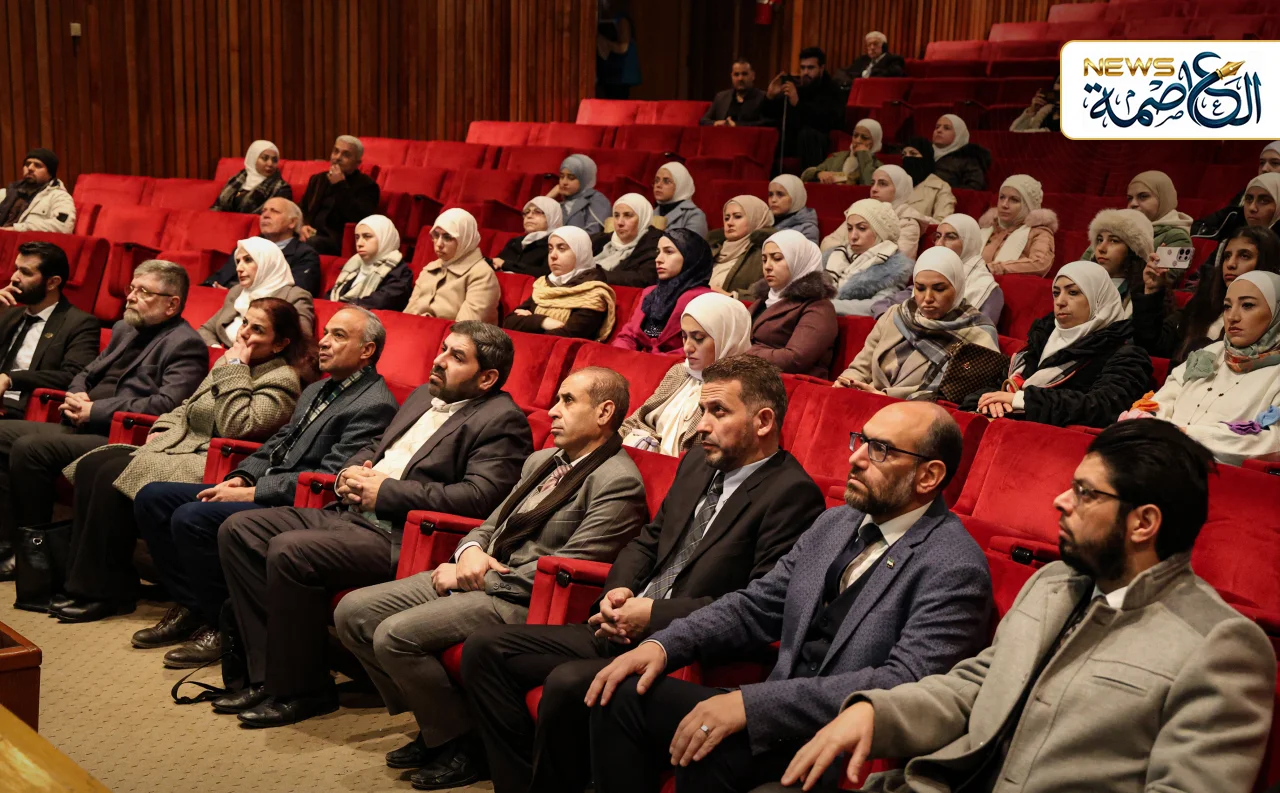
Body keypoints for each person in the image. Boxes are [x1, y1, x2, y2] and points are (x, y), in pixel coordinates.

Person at [779, 421, 1275, 793]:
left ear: (1143, 523)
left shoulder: (1220, 646)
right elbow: (976, 686)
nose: (1060, 500)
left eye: (1084, 493)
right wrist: (875, 712)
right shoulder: (1053, 583)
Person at [462, 355, 827, 793]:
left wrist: (652, 616)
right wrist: (617, 592)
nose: (702, 425)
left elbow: (757, 603)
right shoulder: (698, 462)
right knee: (485, 649)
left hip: (684, 648)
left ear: (763, 421)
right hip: (622, 624)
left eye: (718, 411)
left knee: (568, 682)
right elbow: (648, 541)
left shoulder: (791, 494)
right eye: (702, 410)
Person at [585, 401, 993, 793]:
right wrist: (663, 645)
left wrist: (752, 705)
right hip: (773, 716)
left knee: (710, 750)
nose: (856, 458)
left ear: (928, 476)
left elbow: (901, 683)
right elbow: (757, 604)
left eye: (881, 450)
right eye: (862, 440)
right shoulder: (836, 523)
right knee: (621, 695)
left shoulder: (954, 566)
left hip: (838, 745)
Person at [336, 367, 648, 790]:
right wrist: (468, 551)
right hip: (478, 571)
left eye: (568, 401)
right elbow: (490, 523)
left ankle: (465, 746)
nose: (553, 411)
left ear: (604, 412)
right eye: (556, 399)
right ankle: (442, 727)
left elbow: (570, 569)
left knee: (394, 635)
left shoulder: (618, 482)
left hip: (521, 600)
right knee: (352, 612)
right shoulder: (542, 461)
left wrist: (478, 579)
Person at [214, 322, 534, 728]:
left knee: (291, 550)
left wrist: (386, 492)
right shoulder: (424, 395)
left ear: (487, 377)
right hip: (349, 514)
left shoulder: (502, 420)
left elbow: (478, 499)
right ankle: (265, 677)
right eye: (442, 349)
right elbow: (377, 445)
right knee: (240, 530)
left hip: (401, 536)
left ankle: (302, 691)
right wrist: (351, 471)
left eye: (456, 357)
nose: (439, 360)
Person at [131, 307, 398, 667]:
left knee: (193, 518)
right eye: (326, 332)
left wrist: (249, 493)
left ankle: (224, 626)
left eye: (338, 336)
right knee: (153, 498)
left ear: (367, 350)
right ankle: (196, 607)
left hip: (301, 505)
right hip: (268, 486)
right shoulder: (318, 388)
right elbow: (278, 442)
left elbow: (328, 478)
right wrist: (242, 476)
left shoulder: (375, 404)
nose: (323, 342)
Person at [50, 298, 309, 623]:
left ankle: (103, 593)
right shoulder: (230, 362)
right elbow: (188, 405)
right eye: (245, 323)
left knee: (111, 475)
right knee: (93, 466)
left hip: (218, 460)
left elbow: (238, 425)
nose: (244, 333)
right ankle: (89, 582)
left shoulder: (282, 379)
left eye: (258, 330)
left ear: (280, 343)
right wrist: (163, 426)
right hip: (180, 444)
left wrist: (236, 369)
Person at [0, 261, 207, 580]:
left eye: (143, 291)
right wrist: (77, 395)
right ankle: (9, 543)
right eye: (131, 288)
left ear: (172, 304)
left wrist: (95, 410)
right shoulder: (125, 328)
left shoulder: (185, 344)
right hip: (81, 422)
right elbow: (85, 373)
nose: (131, 297)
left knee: (31, 448)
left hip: (123, 437)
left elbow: (167, 405)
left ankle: (36, 553)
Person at [967, 261, 1152, 429]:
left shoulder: (1126, 354)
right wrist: (990, 401)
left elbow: (1104, 407)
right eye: (1056, 293)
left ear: (1098, 299)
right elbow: (994, 388)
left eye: (1073, 292)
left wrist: (1020, 400)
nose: (1060, 302)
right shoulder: (1041, 340)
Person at [1139, 271, 1280, 466]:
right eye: (1227, 306)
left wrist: (1187, 436)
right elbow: (1164, 399)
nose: (1233, 317)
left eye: (1247, 305)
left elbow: (1272, 442)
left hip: (1221, 474)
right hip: (1160, 457)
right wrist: (1155, 429)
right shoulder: (1210, 352)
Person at [836, 248, 999, 399]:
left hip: (921, 413)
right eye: (920, 288)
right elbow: (861, 367)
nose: (927, 298)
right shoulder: (895, 315)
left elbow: (956, 396)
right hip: (868, 400)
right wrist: (846, 383)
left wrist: (885, 397)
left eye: (939, 289)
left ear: (958, 286)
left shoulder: (978, 333)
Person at [620, 293, 753, 455]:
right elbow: (635, 421)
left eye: (698, 338)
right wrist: (643, 440)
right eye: (684, 336)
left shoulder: (740, 387)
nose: (687, 347)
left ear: (727, 338)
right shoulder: (680, 372)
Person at [1134, 225, 1280, 364]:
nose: (1230, 264)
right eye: (1227, 256)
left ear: (1266, 261)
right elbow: (1153, 346)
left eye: (1244, 256)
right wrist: (1152, 290)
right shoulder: (1203, 302)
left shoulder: (1272, 318)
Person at [0, 241, 99, 418]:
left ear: (52, 282)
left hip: (22, 409)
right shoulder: (7, 313)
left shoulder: (80, 323)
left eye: (26, 272)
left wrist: (11, 379)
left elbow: (73, 376)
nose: (14, 278)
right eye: (16, 269)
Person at [871, 213, 1003, 325]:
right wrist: (899, 326)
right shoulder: (930, 275)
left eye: (950, 237)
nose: (939, 243)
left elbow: (983, 332)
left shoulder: (987, 289)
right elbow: (881, 305)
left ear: (970, 243)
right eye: (938, 236)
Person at [749, 230, 838, 377]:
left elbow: (795, 359)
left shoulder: (819, 306)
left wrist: (743, 353)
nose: (767, 266)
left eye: (777, 258)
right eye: (764, 260)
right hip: (754, 376)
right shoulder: (764, 299)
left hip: (791, 384)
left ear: (798, 261)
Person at [503, 227, 618, 341]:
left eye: (561, 249)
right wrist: (544, 322)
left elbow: (566, 335)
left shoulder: (593, 292)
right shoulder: (545, 285)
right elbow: (509, 322)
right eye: (550, 249)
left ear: (580, 252)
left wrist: (529, 321)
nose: (553, 255)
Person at [611, 229, 714, 355]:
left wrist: (651, 361)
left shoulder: (704, 300)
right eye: (658, 252)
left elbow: (700, 348)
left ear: (690, 257)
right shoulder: (649, 293)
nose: (658, 259)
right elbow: (628, 336)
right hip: (638, 363)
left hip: (677, 366)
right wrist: (623, 356)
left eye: (669, 252)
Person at [198, 237, 315, 347]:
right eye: (238, 261)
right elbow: (205, 330)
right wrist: (217, 350)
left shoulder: (294, 297)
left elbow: (301, 344)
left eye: (248, 260)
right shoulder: (237, 292)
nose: (239, 268)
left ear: (267, 263)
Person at [202, 198, 322, 296]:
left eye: (275, 211)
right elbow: (218, 278)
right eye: (263, 211)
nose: (265, 215)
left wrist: (235, 294)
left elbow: (294, 292)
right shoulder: (247, 246)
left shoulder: (304, 254)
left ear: (292, 223)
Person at [405, 207, 500, 324]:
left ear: (465, 239)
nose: (439, 244)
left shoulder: (482, 275)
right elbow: (407, 315)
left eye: (447, 237)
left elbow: (466, 328)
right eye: (436, 235)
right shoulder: (430, 268)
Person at [824, 199, 912, 317]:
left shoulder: (894, 269)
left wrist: (824, 305)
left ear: (880, 233)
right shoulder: (834, 256)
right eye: (849, 229)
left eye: (862, 228)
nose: (853, 236)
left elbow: (877, 305)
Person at [766, 47, 848, 171]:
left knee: (808, 135)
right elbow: (772, 115)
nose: (805, 72)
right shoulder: (799, 87)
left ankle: (811, 177)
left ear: (821, 68)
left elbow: (828, 120)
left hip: (819, 142)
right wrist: (770, 97)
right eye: (802, 68)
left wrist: (798, 104)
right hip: (794, 142)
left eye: (810, 68)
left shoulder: (832, 90)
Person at [298, 135, 380, 256]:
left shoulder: (367, 186)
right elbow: (302, 209)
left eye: (346, 155)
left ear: (357, 163)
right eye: (336, 151)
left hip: (336, 239)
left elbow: (359, 217)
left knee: (312, 243)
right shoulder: (318, 179)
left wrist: (339, 185)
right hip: (311, 233)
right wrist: (303, 227)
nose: (337, 158)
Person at [1083, 170, 1192, 259]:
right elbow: (1082, 265)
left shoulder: (1177, 237)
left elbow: (1164, 276)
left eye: (1143, 196)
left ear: (1164, 199)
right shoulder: (1116, 226)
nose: (1133, 204)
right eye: (1130, 198)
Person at [1192, 141, 1280, 239]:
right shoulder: (1248, 193)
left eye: (1275, 163)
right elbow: (1218, 220)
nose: (1264, 169)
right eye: (1262, 163)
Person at [327, 214, 413, 311]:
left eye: (367, 236)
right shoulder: (353, 265)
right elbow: (331, 296)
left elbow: (381, 302)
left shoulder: (400, 272)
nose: (359, 243)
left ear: (384, 238)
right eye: (357, 237)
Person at [979, 174, 1058, 276]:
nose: (1004, 205)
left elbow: (1040, 263)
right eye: (1002, 197)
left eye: (1014, 200)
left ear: (1028, 205)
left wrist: (994, 269)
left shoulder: (1039, 232)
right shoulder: (989, 228)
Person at [1085, 208, 1153, 312]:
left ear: (1133, 251)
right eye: (1099, 240)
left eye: (1114, 241)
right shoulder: (1082, 284)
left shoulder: (1143, 293)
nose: (1101, 248)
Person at [591, 193, 665, 287]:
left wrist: (598, 276)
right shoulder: (600, 240)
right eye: (616, 215)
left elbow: (644, 279)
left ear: (642, 218)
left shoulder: (657, 244)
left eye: (628, 215)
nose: (620, 222)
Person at [709, 195, 774, 300]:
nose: (729, 223)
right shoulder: (712, 249)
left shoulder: (764, 253)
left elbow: (767, 294)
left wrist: (732, 296)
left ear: (755, 219)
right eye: (726, 218)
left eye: (737, 217)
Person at [0, 148, 75, 233]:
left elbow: (63, 226)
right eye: (27, 164)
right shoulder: (6, 193)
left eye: (38, 165)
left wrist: (17, 229)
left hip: (27, 240)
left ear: (50, 173)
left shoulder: (59, 197)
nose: (30, 168)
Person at [210, 140, 292, 214]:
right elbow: (218, 206)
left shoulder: (282, 189)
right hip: (223, 223)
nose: (270, 164)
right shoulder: (236, 179)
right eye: (265, 158)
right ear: (253, 158)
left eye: (274, 160)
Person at [492, 197, 564, 278]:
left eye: (537, 212)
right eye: (526, 212)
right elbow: (496, 263)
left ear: (552, 217)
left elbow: (545, 275)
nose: (529, 216)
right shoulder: (515, 242)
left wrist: (506, 264)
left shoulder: (555, 245)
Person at [801, 119, 883, 185]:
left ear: (874, 142)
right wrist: (819, 173)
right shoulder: (837, 157)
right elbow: (806, 175)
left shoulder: (878, 166)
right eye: (855, 135)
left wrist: (864, 155)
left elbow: (868, 184)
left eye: (864, 138)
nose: (857, 140)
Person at [551, 154, 611, 235]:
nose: (564, 182)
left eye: (571, 178)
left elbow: (593, 234)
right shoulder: (560, 204)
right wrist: (548, 197)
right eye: (561, 176)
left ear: (584, 179)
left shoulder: (596, 200)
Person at [899, 137, 956, 222]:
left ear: (926, 158)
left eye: (913, 154)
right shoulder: (896, 183)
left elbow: (941, 222)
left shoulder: (941, 187)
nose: (907, 158)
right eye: (903, 155)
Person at [701, 60, 771, 127]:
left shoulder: (763, 97)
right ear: (731, 76)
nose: (740, 78)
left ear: (753, 76)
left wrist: (737, 125)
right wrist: (716, 123)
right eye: (736, 74)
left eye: (744, 74)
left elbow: (767, 123)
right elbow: (703, 121)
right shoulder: (721, 97)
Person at [930, 114, 990, 191]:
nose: (939, 130)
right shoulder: (924, 153)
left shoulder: (968, 159)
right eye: (937, 127)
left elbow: (974, 188)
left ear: (958, 134)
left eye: (946, 128)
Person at [597, 0, 641, 99]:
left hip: (620, 75)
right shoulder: (612, 18)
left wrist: (603, 41)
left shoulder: (622, 20)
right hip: (612, 75)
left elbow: (623, 48)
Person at [652, 162, 708, 238]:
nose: (658, 185)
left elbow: (691, 244)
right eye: (656, 180)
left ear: (680, 185)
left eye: (666, 181)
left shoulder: (694, 216)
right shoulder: (651, 213)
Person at [836, 31, 906, 87]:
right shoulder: (863, 59)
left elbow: (890, 75)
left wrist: (867, 75)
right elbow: (842, 71)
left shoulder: (894, 60)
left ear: (884, 46)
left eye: (875, 44)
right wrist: (849, 83)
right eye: (869, 45)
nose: (872, 48)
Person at [768, 175, 820, 244]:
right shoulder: (765, 221)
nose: (773, 200)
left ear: (795, 196)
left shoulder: (807, 229)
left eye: (780, 194)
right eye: (770, 194)